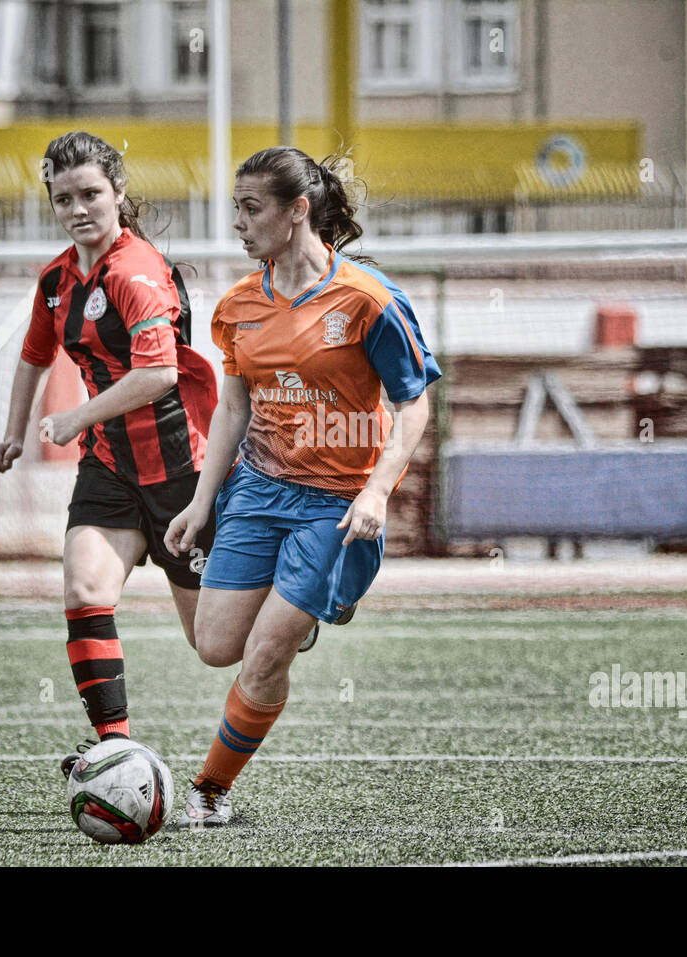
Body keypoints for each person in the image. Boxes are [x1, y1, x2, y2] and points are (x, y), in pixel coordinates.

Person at [164, 146, 442, 826]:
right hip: (258, 492)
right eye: (237, 208)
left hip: (336, 506)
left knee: (262, 655)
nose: (239, 222)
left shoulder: (368, 300)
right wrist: (202, 503)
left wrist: (377, 490)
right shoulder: (237, 306)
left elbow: (416, 404)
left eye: (251, 208)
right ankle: (305, 617)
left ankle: (210, 789)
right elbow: (232, 408)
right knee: (215, 646)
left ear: (298, 211)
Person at [0, 131, 226, 769]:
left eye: (91, 193)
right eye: (63, 198)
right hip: (110, 469)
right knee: (84, 586)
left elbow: (158, 375)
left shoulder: (137, 271)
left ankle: (292, 604)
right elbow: (34, 355)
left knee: (213, 646)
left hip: (182, 470)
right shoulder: (56, 281)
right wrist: (15, 431)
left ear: (118, 193)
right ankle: (114, 746)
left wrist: (73, 418)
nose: (78, 209)